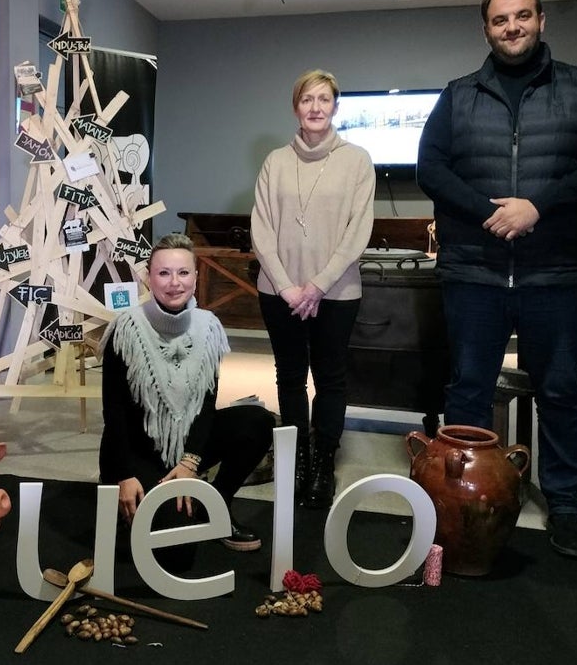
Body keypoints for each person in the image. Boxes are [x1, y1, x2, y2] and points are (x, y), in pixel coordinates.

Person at [416, 0, 577, 560]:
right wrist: (492, 214)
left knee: (558, 388)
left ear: (541, 21)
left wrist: (537, 208)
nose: (512, 27)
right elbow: (430, 168)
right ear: (486, 28)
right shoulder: (458, 96)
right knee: (469, 390)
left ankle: (565, 504)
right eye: (500, 19)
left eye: (522, 16)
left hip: (556, 272)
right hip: (475, 272)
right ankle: (460, 497)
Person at [99, 233, 275, 566]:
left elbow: (206, 405)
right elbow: (114, 412)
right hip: (136, 454)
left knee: (257, 421)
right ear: (149, 277)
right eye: (164, 273)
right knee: (177, 556)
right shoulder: (125, 329)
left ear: (196, 277)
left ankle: (216, 504)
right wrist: (124, 475)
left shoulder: (208, 328)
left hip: (184, 451)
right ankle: (135, 503)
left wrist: (189, 463)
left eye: (183, 273)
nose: (174, 282)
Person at [250, 70, 375, 510]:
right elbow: (261, 230)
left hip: (336, 292)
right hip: (279, 291)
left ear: (336, 107)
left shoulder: (357, 160)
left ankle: (323, 459)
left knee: (330, 377)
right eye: (307, 99)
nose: (316, 107)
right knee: (289, 375)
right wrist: (287, 288)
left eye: (324, 99)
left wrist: (317, 286)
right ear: (296, 107)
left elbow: (357, 231)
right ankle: (297, 456)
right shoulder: (275, 162)